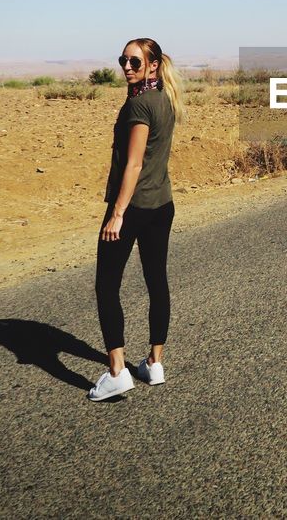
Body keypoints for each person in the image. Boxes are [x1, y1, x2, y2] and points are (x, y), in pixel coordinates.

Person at [88, 37, 186, 401]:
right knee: (156, 280)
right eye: (123, 61)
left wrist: (116, 215)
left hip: (133, 209)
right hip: (162, 204)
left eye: (134, 62)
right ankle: (154, 364)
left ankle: (117, 373)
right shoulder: (166, 98)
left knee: (107, 285)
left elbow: (133, 163)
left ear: (154, 65)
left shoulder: (140, 106)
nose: (126, 67)